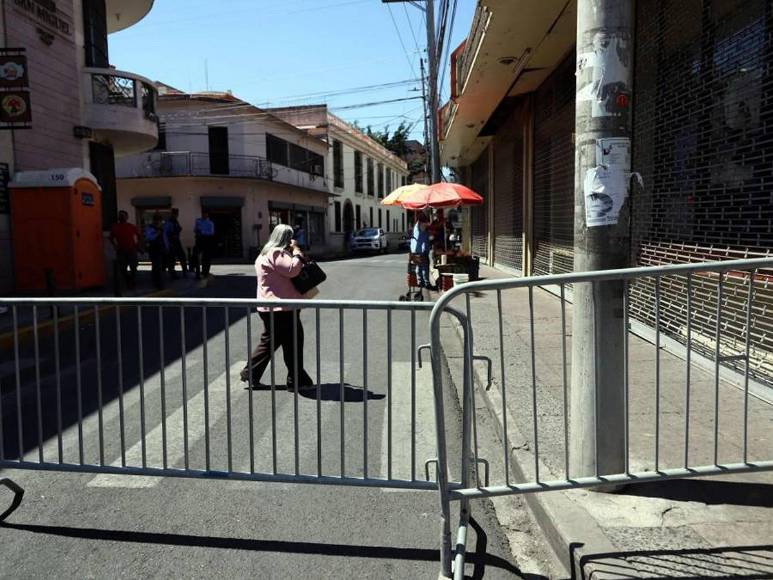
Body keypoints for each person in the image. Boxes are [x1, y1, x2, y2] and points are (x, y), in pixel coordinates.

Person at [240, 224, 315, 391]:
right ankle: (297, 380)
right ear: (285, 238)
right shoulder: (276, 253)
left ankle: (250, 373)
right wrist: (296, 251)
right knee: (293, 343)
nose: (292, 241)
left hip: (273, 307)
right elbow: (292, 270)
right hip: (282, 308)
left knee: (271, 341)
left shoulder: (264, 253)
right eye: (290, 238)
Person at [109, 210, 140, 290]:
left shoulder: (132, 227)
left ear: (127, 217)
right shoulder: (115, 227)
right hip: (121, 250)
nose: (121, 217)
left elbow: (138, 236)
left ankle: (132, 281)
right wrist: (115, 246)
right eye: (120, 215)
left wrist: (138, 246)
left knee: (134, 267)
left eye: (123, 215)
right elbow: (111, 238)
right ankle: (128, 280)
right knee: (122, 268)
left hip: (132, 250)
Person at [163, 208, 188, 279]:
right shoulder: (168, 222)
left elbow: (178, 229)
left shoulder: (175, 221)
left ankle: (185, 272)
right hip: (171, 242)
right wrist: (167, 245)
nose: (176, 215)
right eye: (175, 214)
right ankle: (172, 274)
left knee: (182, 257)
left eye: (176, 214)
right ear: (172, 214)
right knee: (172, 259)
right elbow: (165, 234)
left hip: (177, 241)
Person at [143, 213, 165, 290]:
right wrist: (157, 234)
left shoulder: (161, 228)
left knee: (159, 266)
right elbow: (148, 238)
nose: (159, 222)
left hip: (160, 248)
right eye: (158, 221)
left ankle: (158, 282)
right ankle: (157, 283)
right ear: (155, 221)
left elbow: (164, 239)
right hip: (153, 249)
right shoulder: (149, 228)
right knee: (156, 266)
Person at [410, 213, 431, 289]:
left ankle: (420, 282)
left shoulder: (416, 226)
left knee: (419, 266)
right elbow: (427, 227)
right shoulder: (421, 225)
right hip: (421, 250)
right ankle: (426, 283)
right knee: (425, 266)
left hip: (415, 249)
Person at [194, 210, 215, 279]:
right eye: (203, 214)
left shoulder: (210, 223)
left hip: (207, 240)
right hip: (199, 240)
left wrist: (202, 232)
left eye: (205, 214)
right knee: (197, 257)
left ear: (207, 214)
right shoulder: (198, 221)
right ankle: (198, 273)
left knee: (206, 257)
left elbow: (211, 232)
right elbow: (195, 229)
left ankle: (205, 272)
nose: (204, 215)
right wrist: (197, 232)